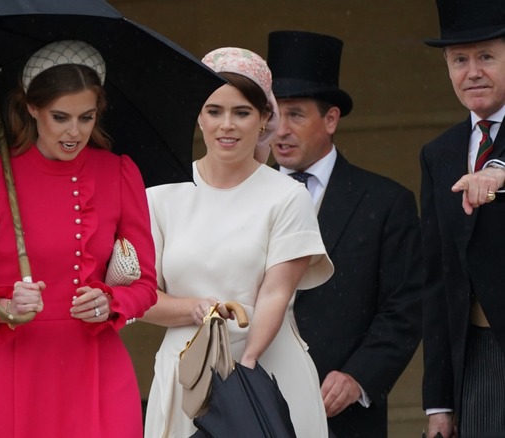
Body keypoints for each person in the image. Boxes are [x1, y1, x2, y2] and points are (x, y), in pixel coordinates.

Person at [0, 40, 158, 438]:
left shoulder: (119, 173)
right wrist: (3, 305)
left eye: (86, 117)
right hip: (17, 369)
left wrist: (110, 301)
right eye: (60, 117)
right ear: (31, 107)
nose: (74, 132)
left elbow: (146, 285)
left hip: (99, 368)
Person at [142, 47, 334, 438]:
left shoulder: (287, 196)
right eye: (214, 111)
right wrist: (195, 309)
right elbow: (141, 297)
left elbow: (275, 293)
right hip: (187, 374)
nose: (226, 125)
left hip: (265, 368)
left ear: (265, 119)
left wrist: (243, 374)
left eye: (242, 112)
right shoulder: (160, 194)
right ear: (198, 114)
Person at [266, 30, 423, 438]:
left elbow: (405, 308)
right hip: (255, 405)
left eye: (296, 115)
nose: (280, 130)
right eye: (273, 115)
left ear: (331, 119)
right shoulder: (243, 197)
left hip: (342, 414)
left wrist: (358, 376)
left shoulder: (387, 201)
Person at [421, 0, 505, 436]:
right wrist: (438, 404)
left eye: (486, 57)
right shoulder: (439, 154)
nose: (472, 72)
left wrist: (499, 174)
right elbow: (438, 278)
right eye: (459, 60)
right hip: (480, 358)